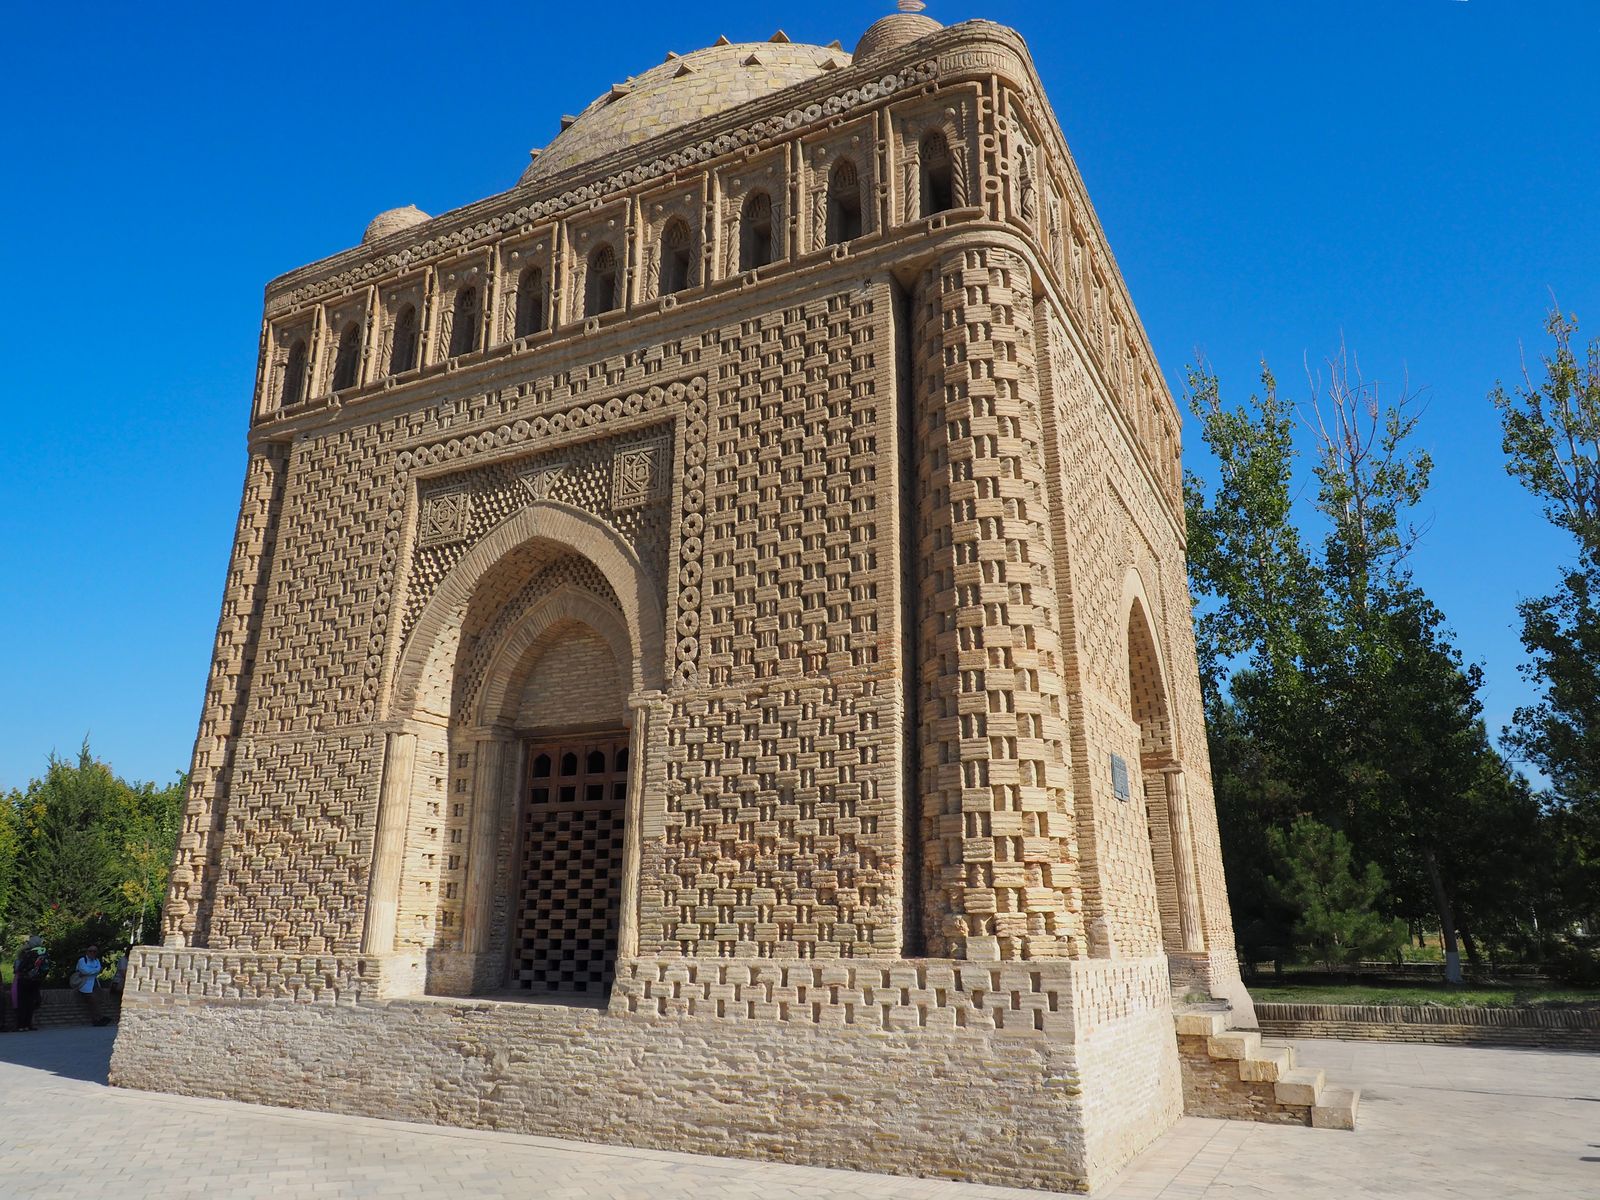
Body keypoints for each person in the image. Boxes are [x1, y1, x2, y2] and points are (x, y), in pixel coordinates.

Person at [14, 936, 48, 1031]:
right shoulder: (44, 953)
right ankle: (28, 1024)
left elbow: (20, 968)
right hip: (36, 980)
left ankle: (21, 1025)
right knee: (31, 1003)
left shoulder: (28, 954)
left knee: (23, 1002)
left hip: (25, 980)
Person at [74, 944, 110, 1027]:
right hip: (84, 984)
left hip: (95, 983)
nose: (92, 953)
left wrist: (92, 971)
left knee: (97, 1001)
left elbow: (98, 970)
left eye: (94, 951)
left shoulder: (96, 960)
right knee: (93, 1001)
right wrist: (95, 970)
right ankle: (99, 1018)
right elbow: (84, 971)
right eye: (90, 951)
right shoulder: (82, 960)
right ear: (87, 952)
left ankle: (97, 1018)